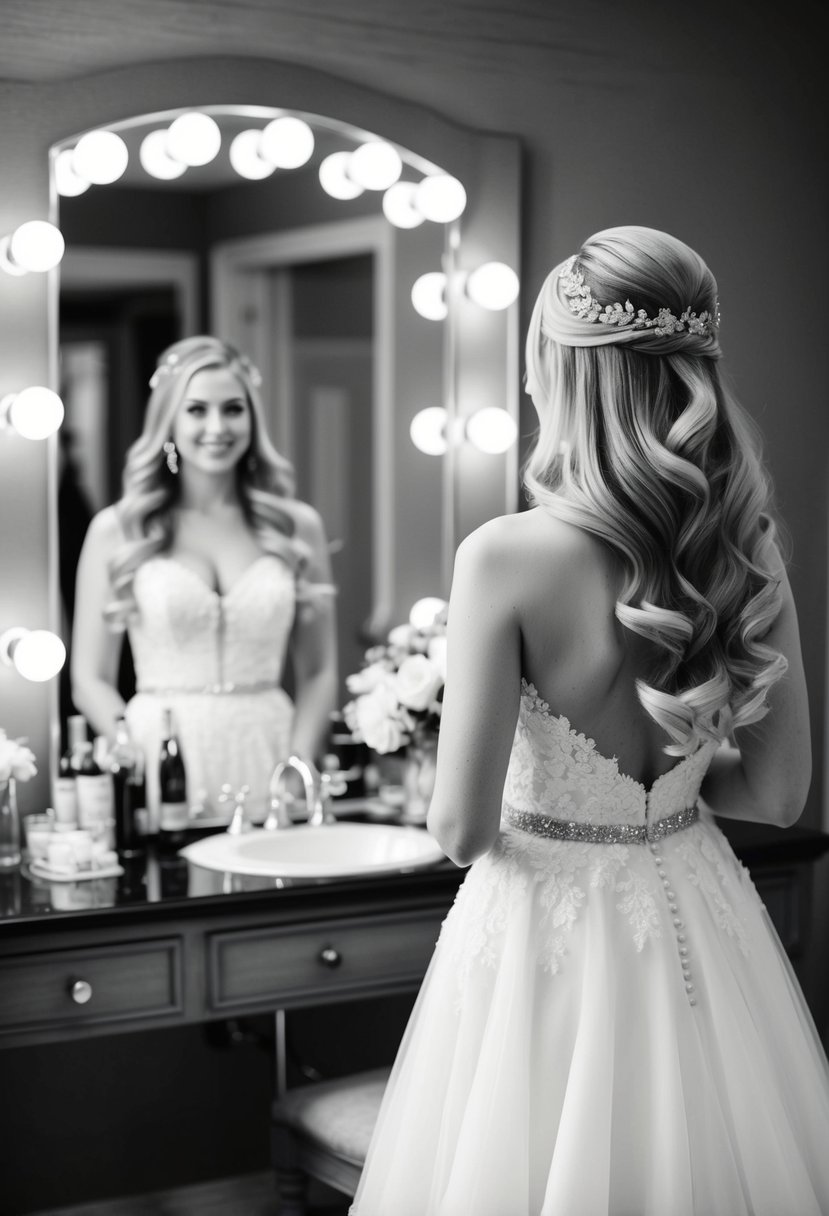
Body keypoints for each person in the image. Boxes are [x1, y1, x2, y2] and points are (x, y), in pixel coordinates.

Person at [350, 227, 829, 1215]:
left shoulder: (503, 556)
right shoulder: (748, 548)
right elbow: (778, 796)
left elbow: (459, 829)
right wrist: (674, 777)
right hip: (701, 919)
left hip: (541, 934)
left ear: (557, 372)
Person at [71, 336, 337, 826]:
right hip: (160, 761)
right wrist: (130, 748)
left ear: (252, 420)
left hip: (271, 754)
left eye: (233, 409)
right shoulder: (119, 530)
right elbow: (90, 678)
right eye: (197, 410)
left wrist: (299, 762)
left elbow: (319, 670)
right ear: (169, 420)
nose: (217, 427)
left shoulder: (296, 527)